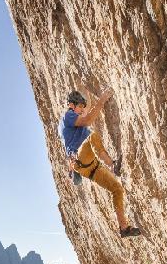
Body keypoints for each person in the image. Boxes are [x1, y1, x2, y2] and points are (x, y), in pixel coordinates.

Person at [60, 88, 141, 238]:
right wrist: (102, 99)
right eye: (80, 107)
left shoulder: (76, 118)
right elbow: (88, 119)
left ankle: (124, 228)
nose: (82, 110)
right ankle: (112, 164)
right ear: (72, 105)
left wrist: (87, 93)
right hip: (80, 158)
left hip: (89, 167)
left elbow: (87, 112)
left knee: (117, 189)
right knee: (92, 136)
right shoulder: (68, 116)